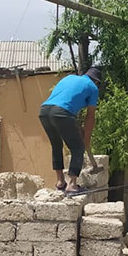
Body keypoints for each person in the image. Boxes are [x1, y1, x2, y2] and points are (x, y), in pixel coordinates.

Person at [39, 67, 101, 195]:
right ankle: (72, 185)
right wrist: (86, 140)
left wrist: (79, 129)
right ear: (96, 81)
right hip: (62, 113)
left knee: (56, 145)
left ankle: (60, 182)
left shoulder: (69, 78)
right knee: (78, 147)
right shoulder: (93, 88)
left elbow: (64, 106)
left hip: (44, 111)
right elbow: (90, 117)